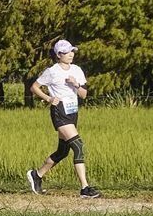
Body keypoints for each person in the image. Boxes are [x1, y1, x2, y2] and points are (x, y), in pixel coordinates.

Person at [26, 39, 101, 198]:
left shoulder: (77, 70)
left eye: (72, 51)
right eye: (67, 52)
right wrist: (48, 98)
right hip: (59, 112)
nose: (71, 54)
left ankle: (37, 175)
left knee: (63, 151)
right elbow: (34, 87)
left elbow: (84, 94)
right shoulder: (52, 71)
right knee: (78, 146)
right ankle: (85, 188)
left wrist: (75, 84)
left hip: (73, 112)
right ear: (59, 54)